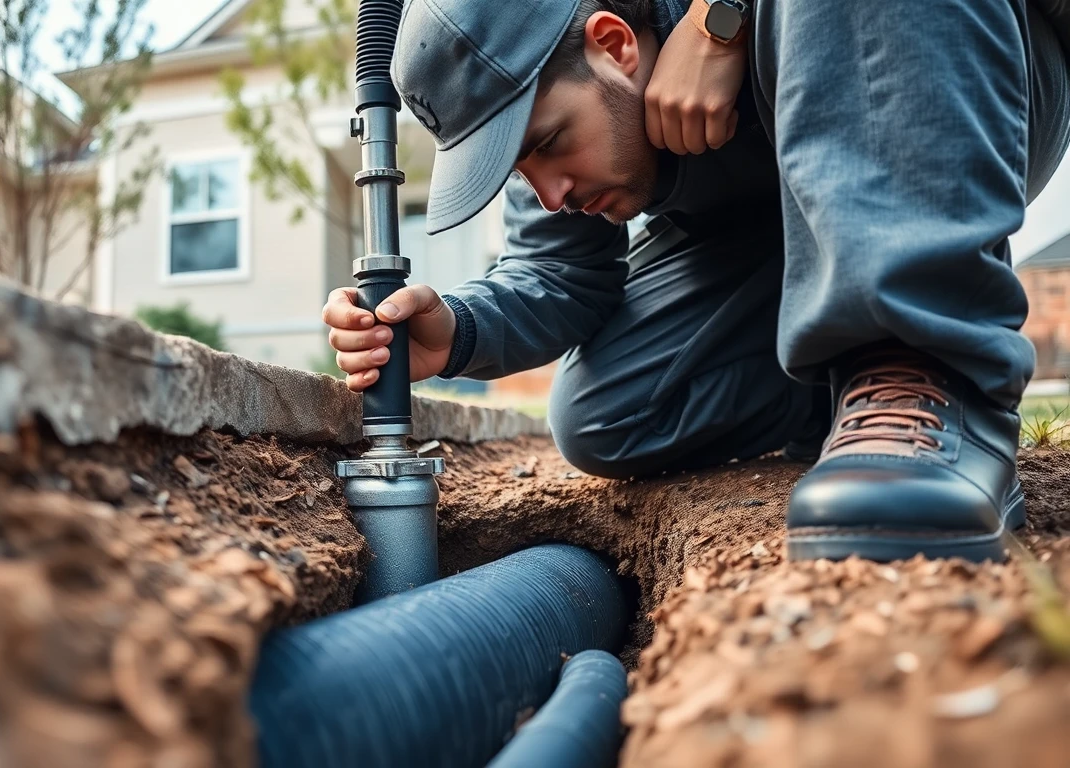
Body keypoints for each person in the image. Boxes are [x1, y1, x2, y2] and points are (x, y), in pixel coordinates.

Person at [321, 0, 1070, 563]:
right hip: (784, 224)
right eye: (522, 170)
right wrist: (457, 330)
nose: (550, 193)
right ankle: (846, 388)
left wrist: (724, 17)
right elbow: (559, 270)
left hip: (952, 68)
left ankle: (925, 373)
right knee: (609, 412)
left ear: (613, 44)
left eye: (548, 144)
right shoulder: (559, 131)